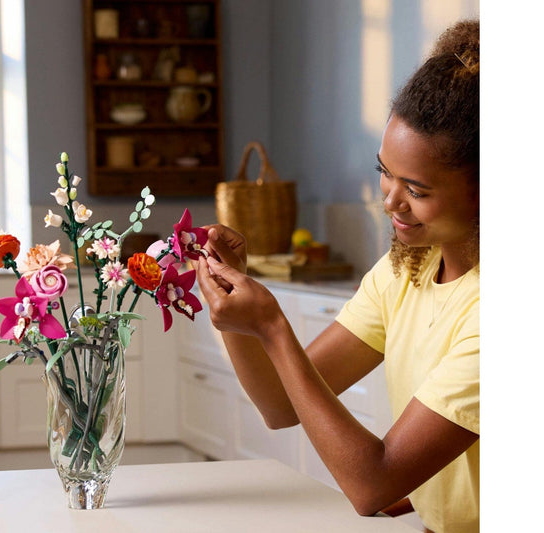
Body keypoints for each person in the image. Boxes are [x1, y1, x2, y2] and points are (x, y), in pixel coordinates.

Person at [194, 19, 480, 533]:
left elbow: (372, 485)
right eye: (385, 173)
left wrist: (274, 328)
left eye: (416, 189)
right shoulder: (405, 271)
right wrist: (232, 308)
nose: (389, 201)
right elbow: (281, 406)